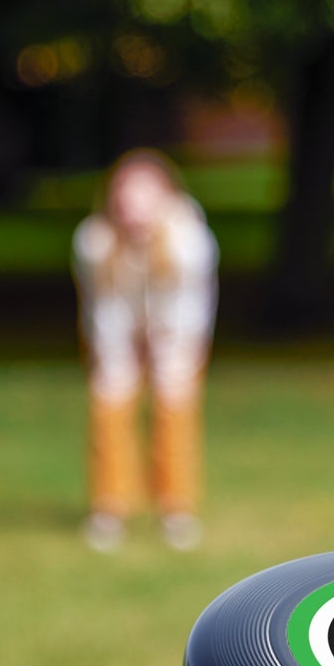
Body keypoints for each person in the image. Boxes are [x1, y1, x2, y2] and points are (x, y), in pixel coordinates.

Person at [72, 149, 219, 552]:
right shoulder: (94, 241)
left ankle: (176, 510)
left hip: (177, 333)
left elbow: (190, 308)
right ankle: (109, 508)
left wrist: (166, 351)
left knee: (174, 409)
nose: (133, 209)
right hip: (116, 332)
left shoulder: (190, 241)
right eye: (125, 198)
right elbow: (103, 308)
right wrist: (119, 356)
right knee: (109, 404)